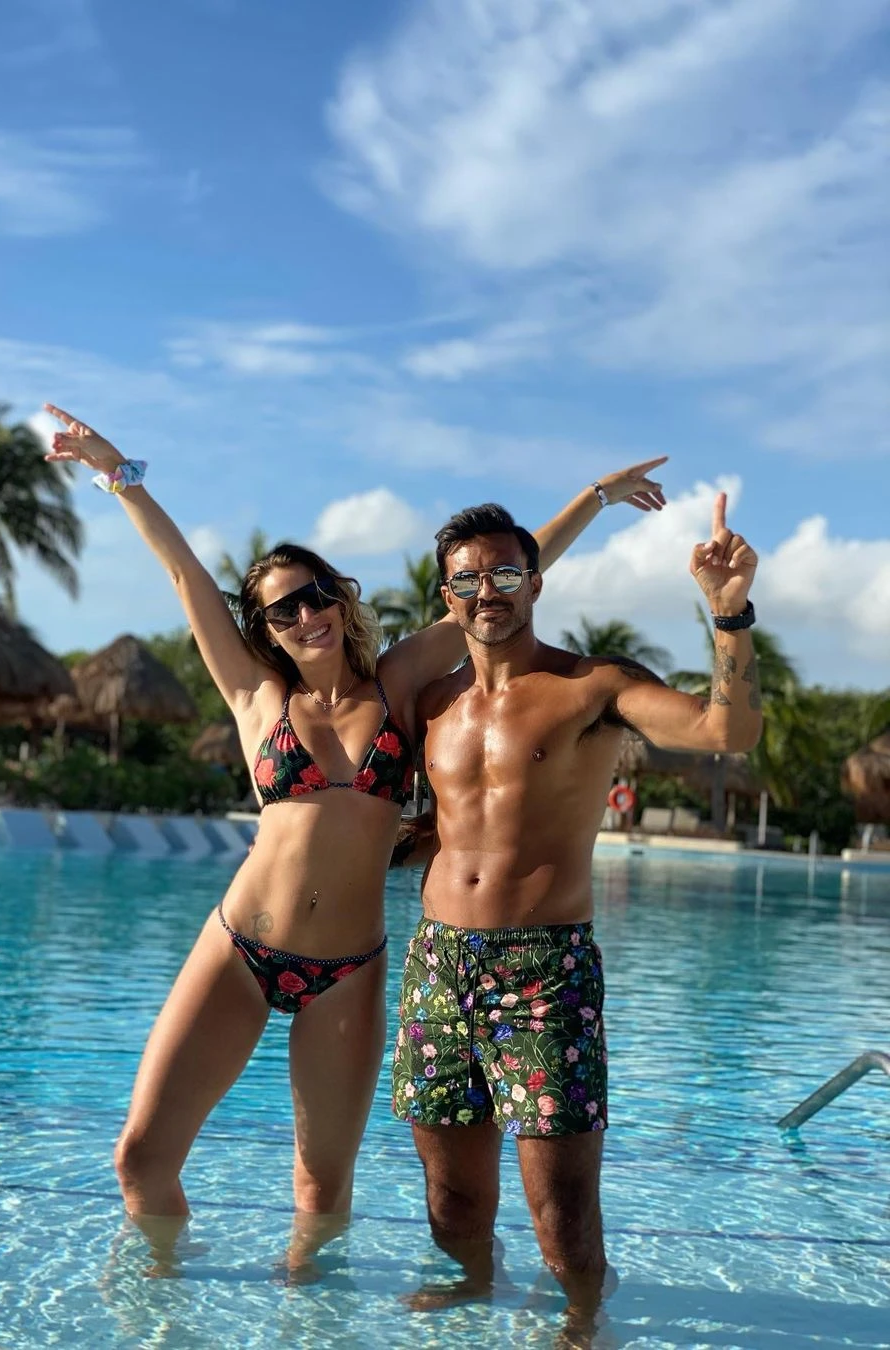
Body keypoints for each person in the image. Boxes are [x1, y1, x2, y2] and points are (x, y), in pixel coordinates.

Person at [42, 402, 668, 1270]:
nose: (306, 617)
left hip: (347, 970)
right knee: (140, 1157)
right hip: (240, 947)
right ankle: (162, 1296)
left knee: (321, 1188)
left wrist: (595, 498)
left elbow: (501, 583)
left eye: (315, 596)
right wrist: (118, 473)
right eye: (283, 611)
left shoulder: (397, 682)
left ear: (339, 597)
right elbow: (186, 575)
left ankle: (305, 1316)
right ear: (265, 630)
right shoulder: (256, 698)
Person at [391, 492, 760, 1329]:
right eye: (467, 579)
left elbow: (725, 733)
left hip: (543, 970)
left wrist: (730, 615)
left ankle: (585, 1321)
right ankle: (474, 1289)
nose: (487, 591)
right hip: (437, 964)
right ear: (448, 597)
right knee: (450, 1204)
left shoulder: (592, 686)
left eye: (504, 573)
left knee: (560, 1219)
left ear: (536, 582)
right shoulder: (432, 703)